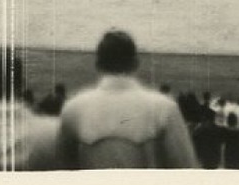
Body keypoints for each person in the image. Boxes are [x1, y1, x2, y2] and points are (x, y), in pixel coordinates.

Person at [56, 30, 199, 169]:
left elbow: (61, 171)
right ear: (135, 63)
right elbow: (187, 169)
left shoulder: (73, 109)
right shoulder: (165, 108)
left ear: (98, 64)